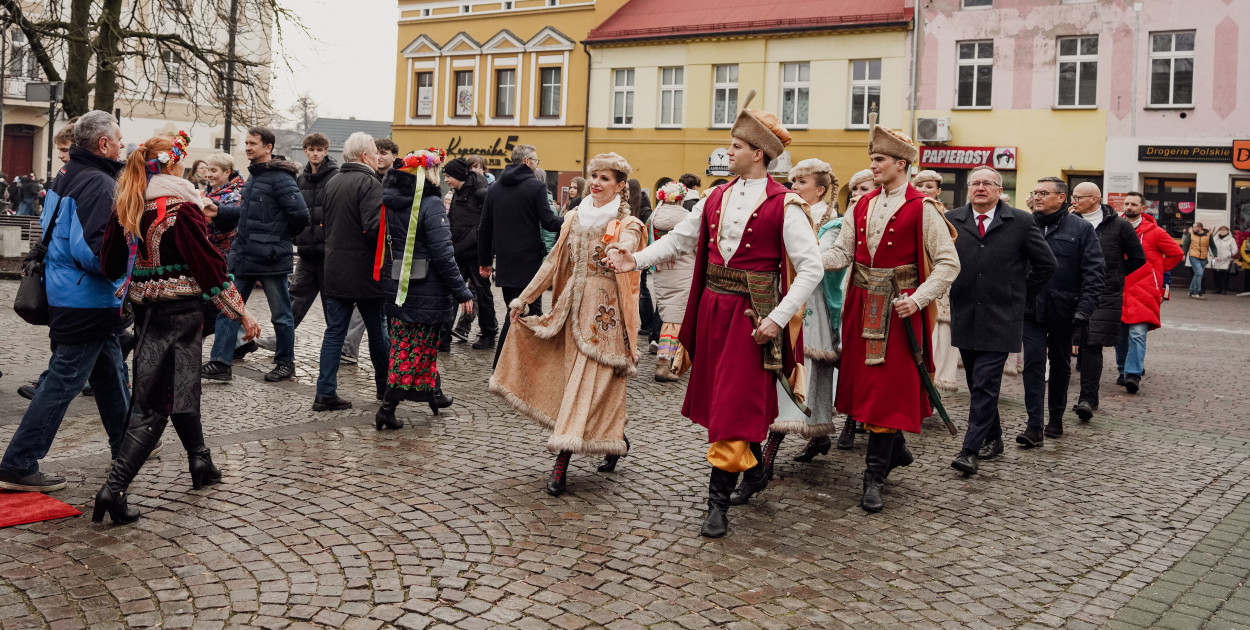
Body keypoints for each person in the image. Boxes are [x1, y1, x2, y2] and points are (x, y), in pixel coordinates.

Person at [606, 90, 823, 536]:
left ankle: (717, 502)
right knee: (728, 400)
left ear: (758, 153)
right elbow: (681, 240)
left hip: (753, 315)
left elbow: (812, 267)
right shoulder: (715, 197)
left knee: (732, 404)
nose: (729, 150)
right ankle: (753, 465)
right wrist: (636, 259)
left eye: (737, 146)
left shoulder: (785, 204)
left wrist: (777, 318)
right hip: (712, 310)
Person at [93, 131, 262, 523]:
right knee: (157, 403)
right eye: (183, 159)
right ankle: (113, 489)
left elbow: (108, 265)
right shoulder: (181, 209)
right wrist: (241, 312)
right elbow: (210, 268)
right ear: (173, 163)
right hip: (180, 314)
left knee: (180, 387)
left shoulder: (130, 204)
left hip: (147, 312)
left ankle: (200, 461)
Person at [821, 122, 960, 511]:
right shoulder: (862, 204)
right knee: (866, 391)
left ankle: (874, 477)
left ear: (901, 163)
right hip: (861, 305)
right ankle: (895, 449)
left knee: (886, 392)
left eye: (878, 160)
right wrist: (809, 261)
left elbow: (949, 264)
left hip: (899, 313)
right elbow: (842, 253)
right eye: (872, 159)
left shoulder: (923, 208)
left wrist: (917, 300)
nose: (872, 166)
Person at [492, 152, 645, 496]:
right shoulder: (574, 217)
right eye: (594, 176)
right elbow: (552, 262)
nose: (596, 183)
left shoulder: (628, 224)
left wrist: (621, 250)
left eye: (605, 178)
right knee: (573, 385)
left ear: (620, 186)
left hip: (603, 320)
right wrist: (524, 298)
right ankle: (614, 436)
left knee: (586, 384)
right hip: (568, 312)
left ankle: (561, 462)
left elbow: (629, 249)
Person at [0, 111, 132, 493]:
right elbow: (93, 251)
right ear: (103, 143)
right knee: (62, 382)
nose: (123, 145)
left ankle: (126, 446)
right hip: (85, 298)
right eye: (119, 138)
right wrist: (125, 271)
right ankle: (18, 463)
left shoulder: (68, 172)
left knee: (109, 374)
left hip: (69, 292)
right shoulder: (97, 182)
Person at [945, 166, 1055, 475]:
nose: (980, 187)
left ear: (999, 189)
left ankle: (969, 451)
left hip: (1002, 315)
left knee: (985, 383)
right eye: (975, 183)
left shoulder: (1020, 221)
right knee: (974, 381)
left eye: (987, 183)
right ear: (969, 189)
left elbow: (1046, 263)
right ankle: (994, 437)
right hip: (965, 312)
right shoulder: (953, 220)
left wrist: (1019, 295)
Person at [757, 159, 848, 474]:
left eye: (801, 183)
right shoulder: (786, 213)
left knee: (802, 371)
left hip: (811, 305)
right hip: (783, 298)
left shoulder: (833, 223)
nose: (793, 188)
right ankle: (815, 434)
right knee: (780, 370)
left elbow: (817, 261)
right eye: (792, 182)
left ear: (820, 189)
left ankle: (773, 447)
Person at [200, 127, 309, 382]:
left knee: (281, 315)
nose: (248, 147)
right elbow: (246, 215)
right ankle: (220, 363)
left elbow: (301, 216)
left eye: (253, 143)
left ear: (268, 147)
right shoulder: (255, 176)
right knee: (229, 308)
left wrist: (278, 238)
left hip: (270, 258)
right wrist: (219, 211)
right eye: (246, 143)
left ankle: (285, 363)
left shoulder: (280, 178)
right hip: (246, 255)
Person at [376, 150, 474, 428]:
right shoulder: (429, 205)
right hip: (425, 290)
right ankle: (386, 408)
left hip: (399, 285)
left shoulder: (392, 201)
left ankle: (433, 393)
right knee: (411, 352)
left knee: (412, 348)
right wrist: (462, 292)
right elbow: (444, 255)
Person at [1016, 177, 1104, 447]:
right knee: (1032, 363)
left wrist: (1084, 309)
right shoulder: (1023, 225)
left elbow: (1094, 271)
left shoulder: (1081, 229)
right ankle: (1034, 425)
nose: (1038, 196)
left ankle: (1056, 418)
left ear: (1061, 198)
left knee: (1060, 365)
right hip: (1029, 308)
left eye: (1044, 192)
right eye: (1036, 192)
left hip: (1065, 309)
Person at [312, 133, 391, 411]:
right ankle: (385, 387)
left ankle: (324, 392)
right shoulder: (370, 182)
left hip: (335, 267)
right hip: (366, 271)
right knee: (378, 331)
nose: (378, 156)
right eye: (374, 152)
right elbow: (373, 229)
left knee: (334, 332)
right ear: (363, 156)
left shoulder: (333, 181)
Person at [478, 145, 564, 367]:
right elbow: (549, 222)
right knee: (526, 314)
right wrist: (572, 220)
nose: (538, 164)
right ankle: (506, 366)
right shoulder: (536, 187)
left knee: (515, 310)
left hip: (506, 262)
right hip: (528, 263)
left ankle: (515, 365)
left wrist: (485, 261)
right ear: (527, 162)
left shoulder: (494, 188)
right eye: (536, 160)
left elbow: (485, 227)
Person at [1069, 183, 1145, 422]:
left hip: (1103, 294)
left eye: (1077, 197)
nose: (1073, 201)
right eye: (1072, 196)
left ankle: (1088, 399)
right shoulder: (1068, 221)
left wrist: (1113, 276)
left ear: (1094, 199)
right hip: (1070, 291)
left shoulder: (1119, 225)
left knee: (1093, 344)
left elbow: (1137, 258)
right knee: (1066, 344)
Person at [261, 133, 339, 354]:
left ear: (325, 151)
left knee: (331, 302)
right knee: (295, 296)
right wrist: (297, 236)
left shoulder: (335, 177)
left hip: (327, 252)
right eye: (311, 149)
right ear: (305, 151)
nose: (315, 153)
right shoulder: (300, 178)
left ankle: (338, 344)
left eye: (319, 149)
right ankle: (281, 339)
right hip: (306, 251)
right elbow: (293, 211)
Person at [1118, 192, 1183, 394]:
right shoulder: (1115, 228)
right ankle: (1122, 370)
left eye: (1134, 204)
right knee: (1120, 335)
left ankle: (1133, 374)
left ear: (1143, 208)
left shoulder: (1155, 232)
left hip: (1144, 289)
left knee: (1137, 333)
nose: (1129, 207)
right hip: (1118, 287)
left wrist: (1155, 271)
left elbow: (1176, 253)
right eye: (1127, 203)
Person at [912, 170, 959, 394]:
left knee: (941, 330)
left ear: (938, 191)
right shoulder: (910, 210)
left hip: (939, 279)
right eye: (919, 186)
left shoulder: (944, 215)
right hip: (917, 278)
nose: (923, 190)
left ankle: (936, 379)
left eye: (929, 186)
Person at [443, 157, 497, 350]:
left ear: (458, 176)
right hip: (458, 252)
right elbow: (453, 219)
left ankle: (488, 333)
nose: (446, 180)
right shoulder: (457, 193)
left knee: (482, 294)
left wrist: (483, 249)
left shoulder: (481, 193)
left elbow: (488, 224)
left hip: (476, 253)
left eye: (448, 176)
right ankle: (444, 337)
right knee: (451, 294)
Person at [646, 180, 696, 382]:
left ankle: (674, 359)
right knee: (675, 320)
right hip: (683, 272)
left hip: (662, 271)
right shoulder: (686, 218)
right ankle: (664, 364)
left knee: (668, 315)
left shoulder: (654, 217)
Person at [201, 152, 246, 336]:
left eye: (214, 170)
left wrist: (210, 216)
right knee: (219, 302)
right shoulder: (207, 192)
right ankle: (242, 342)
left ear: (227, 172)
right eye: (207, 170)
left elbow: (229, 226)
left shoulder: (236, 195)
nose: (209, 175)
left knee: (217, 301)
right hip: (208, 253)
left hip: (225, 255)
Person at [1182, 223, 1211, 298]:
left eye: (1194, 227)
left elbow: (1213, 245)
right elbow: (1186, 244)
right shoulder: (1191, 234)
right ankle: (1198, 291)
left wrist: (1215, 255)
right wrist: (1183, 254)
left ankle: (1191, 291)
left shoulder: (1208, 235)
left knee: (1197, 274)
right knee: (1199, 273)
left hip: (1204, 257)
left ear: (1200, 228)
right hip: (1193, 256)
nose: (1192, 228)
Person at [1209, 226, 1238, 295]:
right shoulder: (1215, 239)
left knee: (1224, 275)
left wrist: (1229, 254)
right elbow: (1210, 247)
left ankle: (1224, 289)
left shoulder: (1231, 240)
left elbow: (1235, 249)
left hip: (1226, 260)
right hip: (1215, 259)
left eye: (1224, 230)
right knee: (1216, 274)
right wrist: (1212, 255)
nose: (1222, 231)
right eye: (1221, 230)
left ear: (1228, 231)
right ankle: (1217, 288)